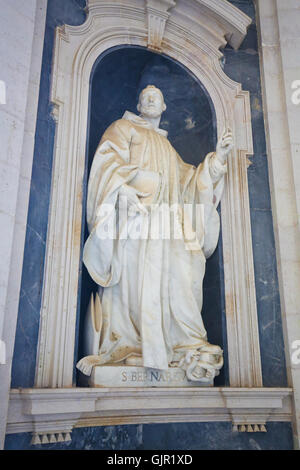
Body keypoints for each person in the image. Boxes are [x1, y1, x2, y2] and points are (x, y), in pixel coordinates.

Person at [77, 85, 233, 381]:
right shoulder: (123, 128)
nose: (150, 98)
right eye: (146, 96)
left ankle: (182, 344)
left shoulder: (168, 148)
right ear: (138, 104)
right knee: (134, 284)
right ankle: (127, 345)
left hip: (167, 226)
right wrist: (121, 190)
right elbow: (106, 164)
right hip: (135, 219)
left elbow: (189, 183)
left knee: (185, 270)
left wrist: (217, 162)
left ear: (163, 108)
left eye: (157, 97)